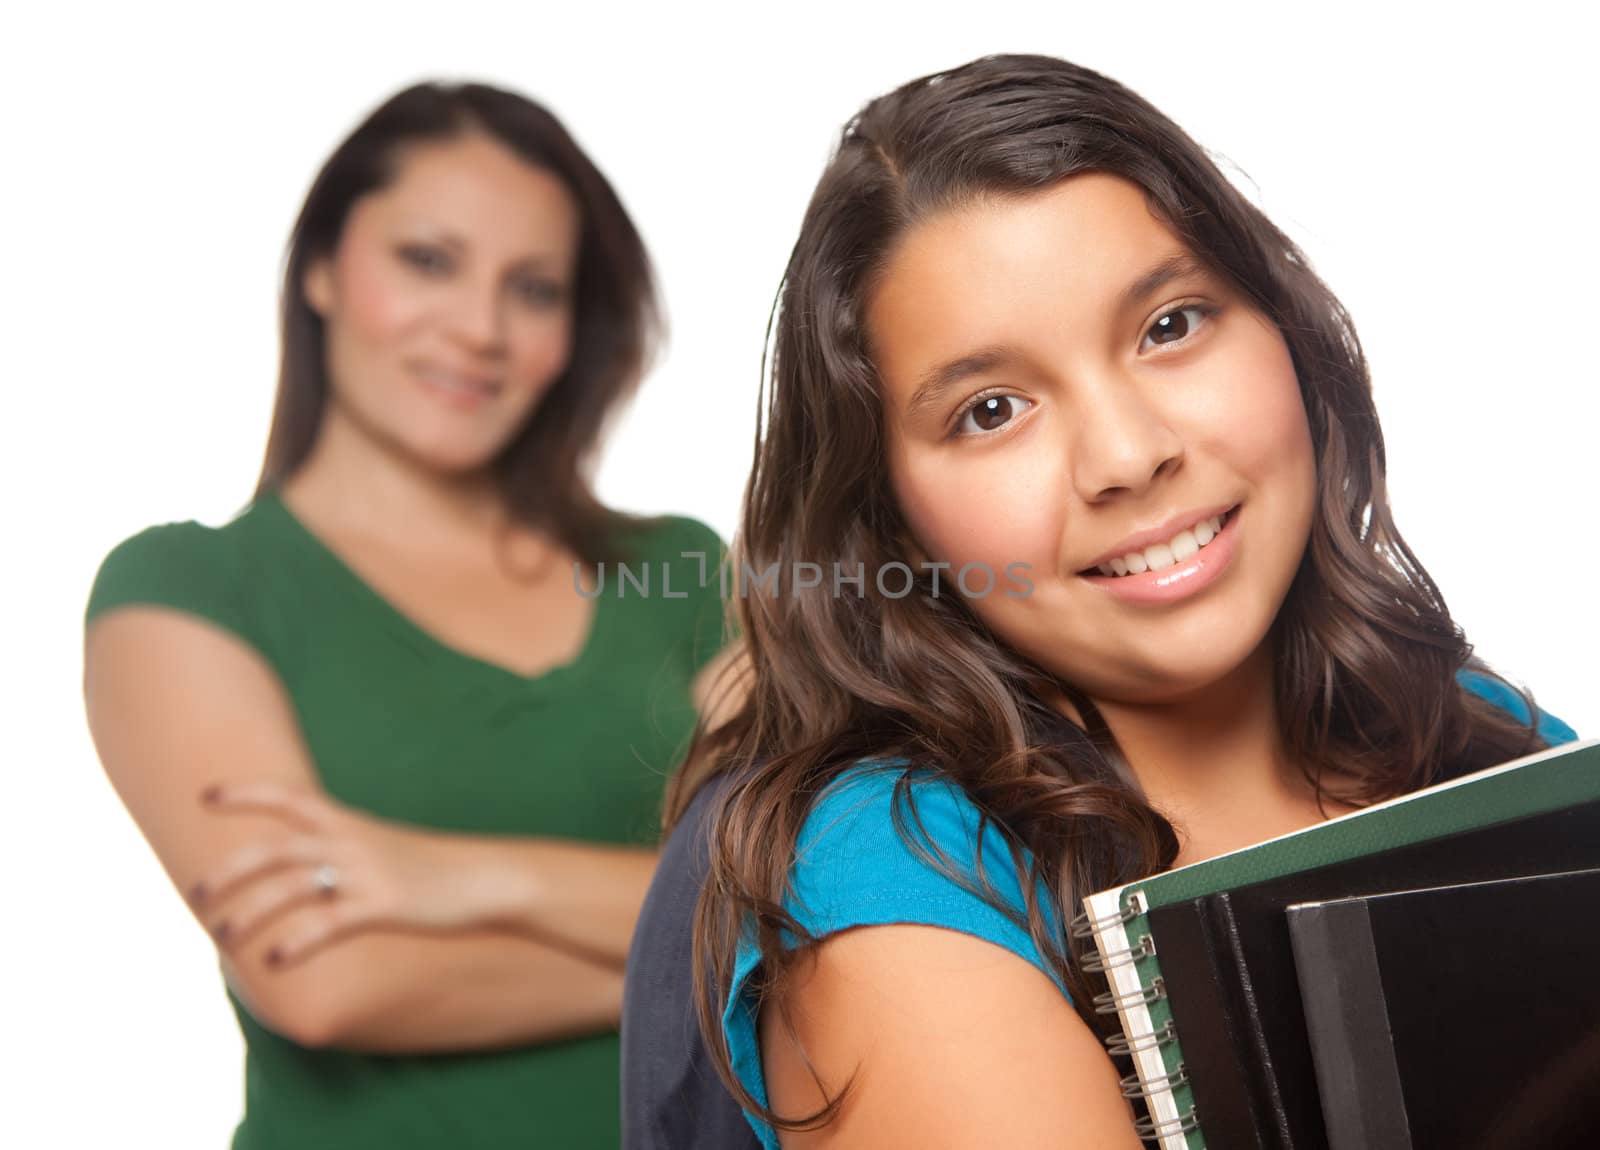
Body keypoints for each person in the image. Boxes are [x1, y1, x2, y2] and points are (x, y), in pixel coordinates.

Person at [619, 54, 1579, 1148]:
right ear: (886, 512)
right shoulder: (888, 871)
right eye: (992, 409)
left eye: (1170, 325)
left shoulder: (1464, 724)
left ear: (1288, 331)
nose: (1126, 455)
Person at [82, 80, 733, 1149]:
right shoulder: (189, 589)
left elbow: (787, 884)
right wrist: (703, 956)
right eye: (427, 261)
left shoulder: (675, 569)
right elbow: (325, 981)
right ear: (323, 269)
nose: (478, 327)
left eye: (533, 289)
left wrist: (454, 874)